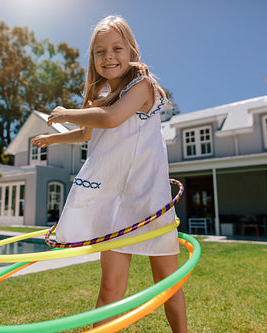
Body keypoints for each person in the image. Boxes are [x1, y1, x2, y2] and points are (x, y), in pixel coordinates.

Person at [32, 15, 187, 332]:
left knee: (168, 286)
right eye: (100, 52)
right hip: (119, 207)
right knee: (110, 291)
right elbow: (87, 134)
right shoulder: (100, 98)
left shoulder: (142, 87)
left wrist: (66, 113)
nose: (108, 57)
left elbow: (112, 118)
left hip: (150, 201)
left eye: (117, 48)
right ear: (93, 59)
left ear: (132, 51)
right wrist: (54, 137)